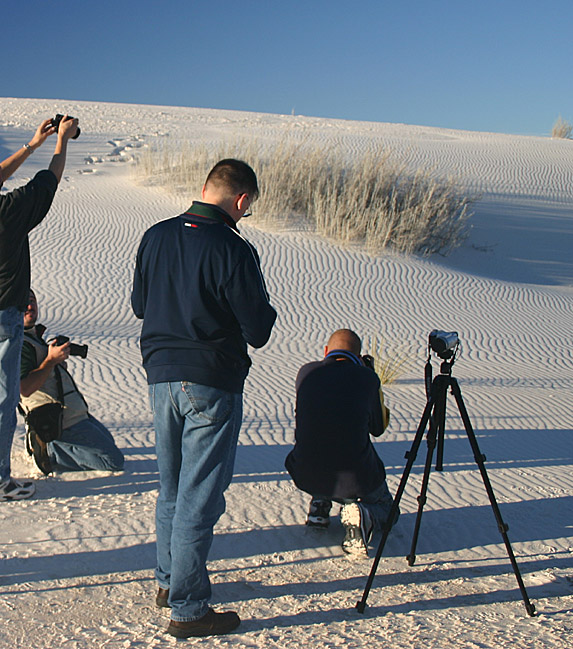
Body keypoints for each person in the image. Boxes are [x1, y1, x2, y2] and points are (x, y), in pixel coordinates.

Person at [131, 159, 277, 638]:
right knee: (200, 495)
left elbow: (139, 305)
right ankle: (189, 608)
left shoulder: (154, 235)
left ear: (204, 189)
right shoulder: (234, 249)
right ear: (242, 201)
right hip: (211, 380)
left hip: (160, 376)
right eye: (248, 206)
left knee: (172, 486)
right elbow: (258, 329)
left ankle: (169, 582)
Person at [0, 115, 79, 502]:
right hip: (2, 319)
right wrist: (61, 141)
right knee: (3, 402)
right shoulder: (10, 210)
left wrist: (32, 143)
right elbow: (50, 179)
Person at [284, 328, 398, 558]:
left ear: (326, 351)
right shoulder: (367, 379)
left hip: (305, 472)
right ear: (359, 355)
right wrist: (373, 383)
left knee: (323, 438)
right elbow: (378, 428)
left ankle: (320, 504)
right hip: (355, 479)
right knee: (389, 511)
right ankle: (362, 515)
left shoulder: (306, 371)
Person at [19, 289, 124, 475]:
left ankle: (50, 443)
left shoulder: (35, 338)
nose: (30, 306)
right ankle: (47, 449)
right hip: (56, 419)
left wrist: (55, 363)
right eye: (24, 302)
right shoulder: (21, 344)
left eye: (32, 301)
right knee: (112, 461)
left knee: (109, 443)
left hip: (74, 414)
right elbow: (25, 388)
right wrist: (51, 361)